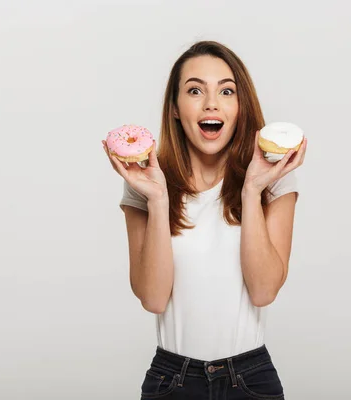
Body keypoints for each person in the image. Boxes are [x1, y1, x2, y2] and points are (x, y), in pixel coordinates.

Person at [103, 40, 307, 399]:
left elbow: (263, 291)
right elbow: (153, 297)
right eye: (195, 90)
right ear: (176, 109)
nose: (211, 103)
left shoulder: (274, 180)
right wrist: (159, 198)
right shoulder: (145, 186)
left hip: (251, 378)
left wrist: (251, 189)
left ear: (240, 107)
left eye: (226, 91)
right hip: (172, 378)